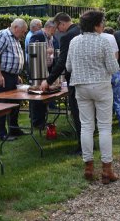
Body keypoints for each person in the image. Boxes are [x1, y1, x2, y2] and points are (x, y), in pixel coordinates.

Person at [66, 10, 120, 184]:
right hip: (101, 86)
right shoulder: (103, 41)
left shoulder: (74, 41)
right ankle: (106, 169)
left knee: (86, 127)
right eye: (102, 23)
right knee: (104, 127)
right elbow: (113, 68)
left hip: (81, 87)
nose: (103, 26)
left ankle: (88, 167)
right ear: (97, 25)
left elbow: (68, 67)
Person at [40, 12, 82, 155]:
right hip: (90, 79)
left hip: (76, 81)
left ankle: (82, 147)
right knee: (87, 115)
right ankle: (88, 143)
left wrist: (48, 80)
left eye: (58, 27)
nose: (57, 31)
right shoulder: (82, 30)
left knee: (77, 114)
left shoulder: (67, 37)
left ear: (62, 23)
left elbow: (61, 62)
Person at [0, 18, 28, 141]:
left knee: (15, 104)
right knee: (2, 105)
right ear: (16, 27)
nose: (24, 34)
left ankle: (14, 129)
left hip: (11, 76)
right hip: (3, 76)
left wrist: (16, 74)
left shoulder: (15, 38)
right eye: (23, 31)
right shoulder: (3, 35)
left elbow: (12, 57)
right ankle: (1, 134)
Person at [28, 19, 60, 128]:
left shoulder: (53, 38)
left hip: (49, 70)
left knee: (45, 95)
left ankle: (43, 119)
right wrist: (46, 51)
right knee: (38, 96)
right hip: (38, 70)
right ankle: (37, 121)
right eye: (54, 29)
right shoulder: (37, 35)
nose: (55, 32)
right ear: (49, 28)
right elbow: (31, 50)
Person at [102, 27, 120, 138]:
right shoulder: (111, 37)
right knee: (118, 101)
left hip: (102, 75)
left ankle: (105, 131)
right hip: (114, 72)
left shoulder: (95, 38)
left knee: (102, 104)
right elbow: (116, 56)